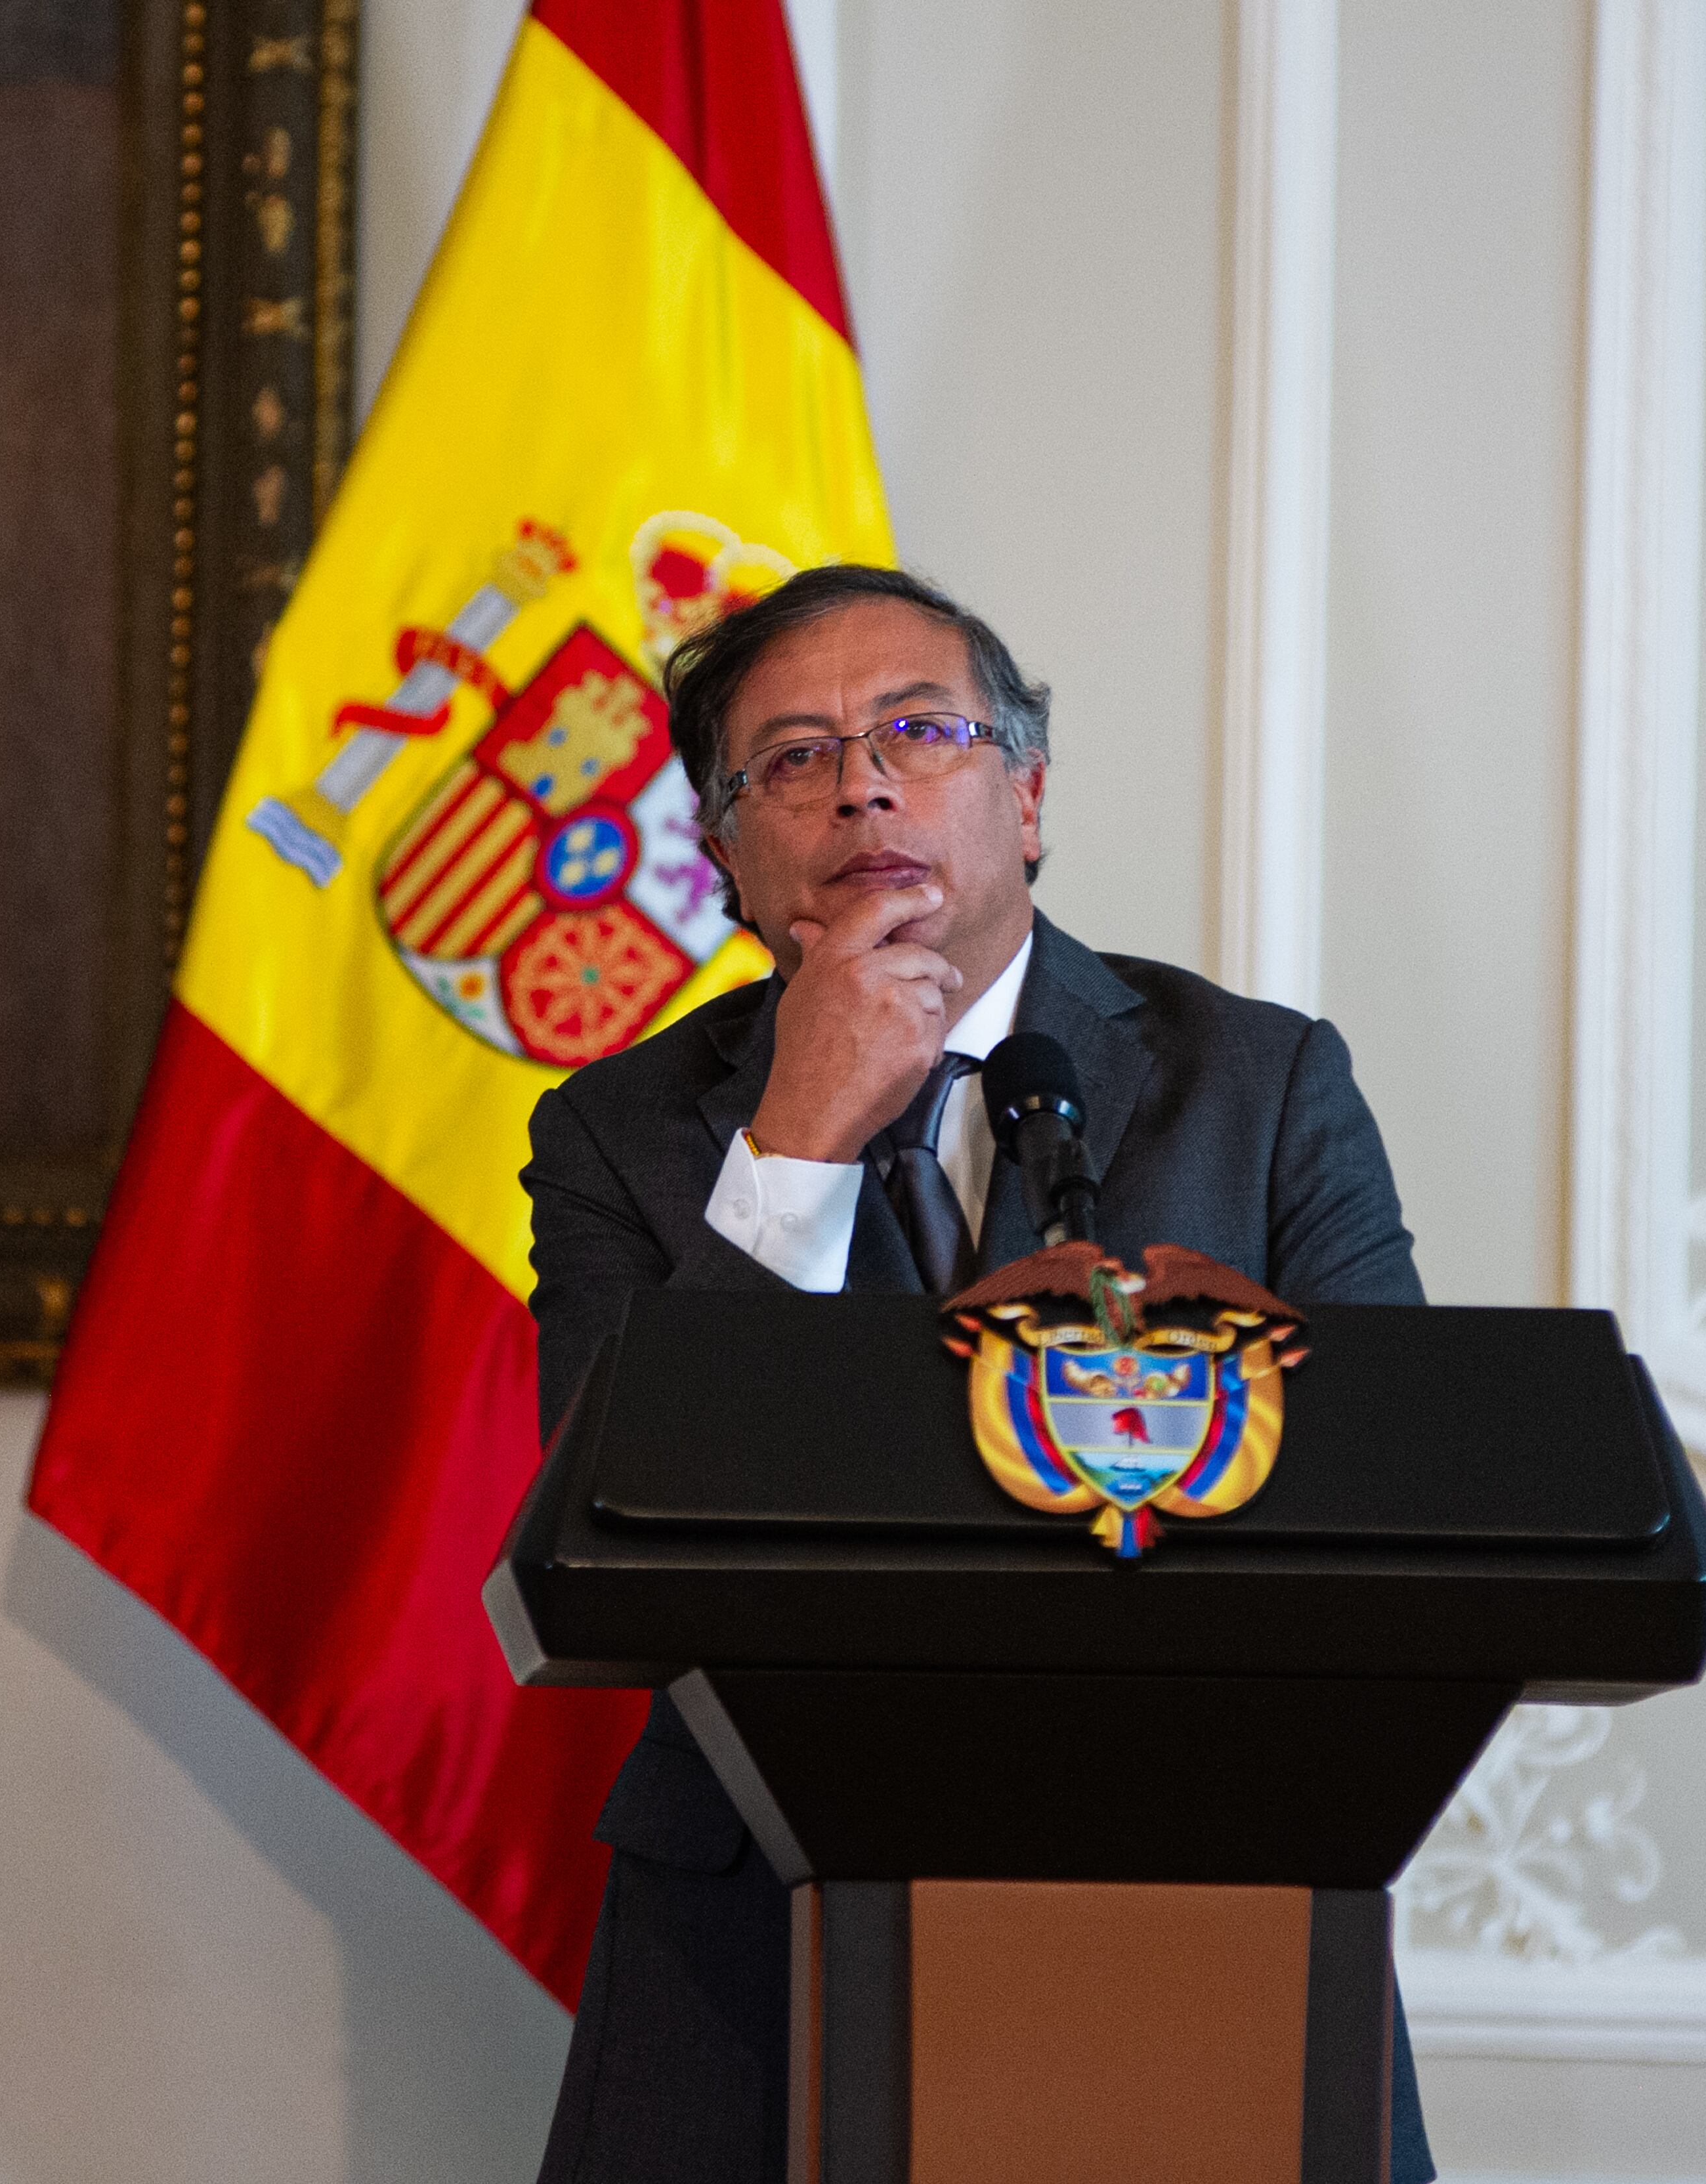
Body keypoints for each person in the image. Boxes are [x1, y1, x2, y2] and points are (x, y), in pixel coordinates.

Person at [520, 563, 1437, 2183]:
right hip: (753, 1925)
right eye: (789, 758)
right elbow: (603, 1552)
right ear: (725, 858)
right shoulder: (621, 1131)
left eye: (919, 730)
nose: (862, 780)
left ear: (1024, 797)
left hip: (1199, 1891)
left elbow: (1395, 1509)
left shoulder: (1260, 1080)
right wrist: (795, 1136)